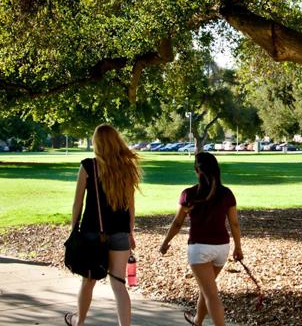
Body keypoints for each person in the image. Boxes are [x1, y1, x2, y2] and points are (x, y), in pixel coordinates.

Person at [65, 124, 141, 326]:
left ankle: (79, 322)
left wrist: (74, 229)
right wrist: (131, 232)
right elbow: (131, 206)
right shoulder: (127, 168)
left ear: (97, 143)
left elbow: (78, 203)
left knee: (88, 281)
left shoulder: (88, 166)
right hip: (120, 233)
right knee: (119, 284)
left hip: (92, 233)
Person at [160, 151, 243, 326]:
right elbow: (234, 224)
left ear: (197, 170)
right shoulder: (227, 193)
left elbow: (177, 223)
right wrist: (238, 247)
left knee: (211, 294)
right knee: (207, 288)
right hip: (222, 248)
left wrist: (165, 242)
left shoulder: (188, 194)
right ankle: (197, 321)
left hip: (199, 249)